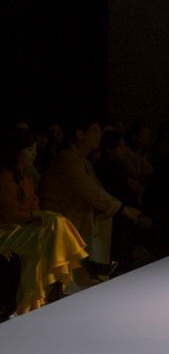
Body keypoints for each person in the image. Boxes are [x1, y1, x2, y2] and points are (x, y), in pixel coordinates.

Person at [0, 129, 94, 314]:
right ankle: (81, 268)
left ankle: (36, 299)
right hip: (6, 230)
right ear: (16, 151)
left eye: (34, 149)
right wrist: (36, 215)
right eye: (29, 150)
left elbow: (33, 203)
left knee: (50, 232)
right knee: (55, 226)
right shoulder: (4, 177)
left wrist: (38, 214)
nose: (34, 154)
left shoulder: (25, 176)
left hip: (22, 227)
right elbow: (9, 214)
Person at [40, 119, 141, 268]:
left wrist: (122, 208)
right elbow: (92, 193)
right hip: (62, 218)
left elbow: (97, 191)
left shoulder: (80, 160)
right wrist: (123, 209)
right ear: (80, 134)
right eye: (95, 132)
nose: (99, 136)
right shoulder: (69, 160)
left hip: (74, 214)